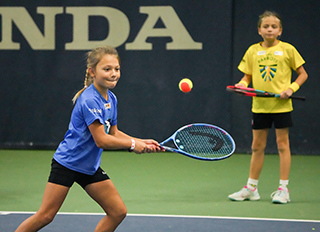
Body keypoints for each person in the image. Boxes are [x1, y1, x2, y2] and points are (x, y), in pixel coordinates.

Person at [15, 46, 162, 232]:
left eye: (116, 69)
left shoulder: (111, 98)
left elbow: (114, 133)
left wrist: (142, 141)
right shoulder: (89, 100)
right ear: (92, 72)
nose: (113, 74)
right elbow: (102, 140)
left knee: (117, 212)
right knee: (45, 216)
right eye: (107, 69)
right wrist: (133, 145)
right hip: (68, 163)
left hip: (89, 167)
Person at [228, 11, 308, 204]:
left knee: (282, 145)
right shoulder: (252, 51)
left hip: (281, 106)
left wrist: (291, 88)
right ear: (259, 30)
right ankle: (251, 188)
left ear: (279, 31)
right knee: (257, 147)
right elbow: (247, 76)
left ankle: (283, 189)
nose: (269, 29)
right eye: (266, 26)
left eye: (273, 26)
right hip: (260, 106)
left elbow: (302, 74)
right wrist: (242, 84)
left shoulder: (288, 49)